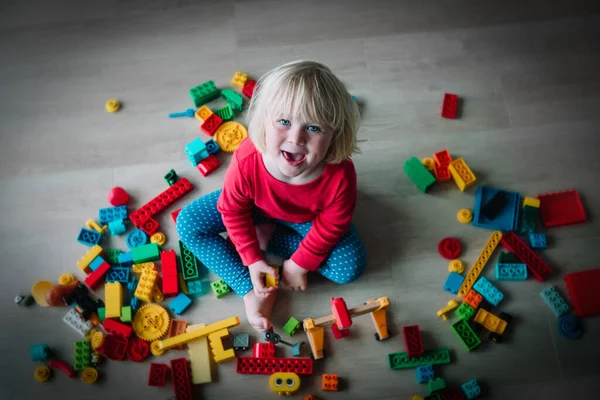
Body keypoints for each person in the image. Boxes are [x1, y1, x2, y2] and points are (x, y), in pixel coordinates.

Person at [176, 60, 366, 332]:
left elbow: (332, 224)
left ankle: (271, 237)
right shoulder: (248, 159)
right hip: (254, 207)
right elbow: (232, 210)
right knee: (188, 223)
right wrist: (252, 260)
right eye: (284, 121)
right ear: (264, 120)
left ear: (335, 135)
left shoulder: (341, 174)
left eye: (314, 128)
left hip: (307, 220)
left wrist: (300, 263)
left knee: (350, 267)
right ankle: (250, 289)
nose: (296, 138)